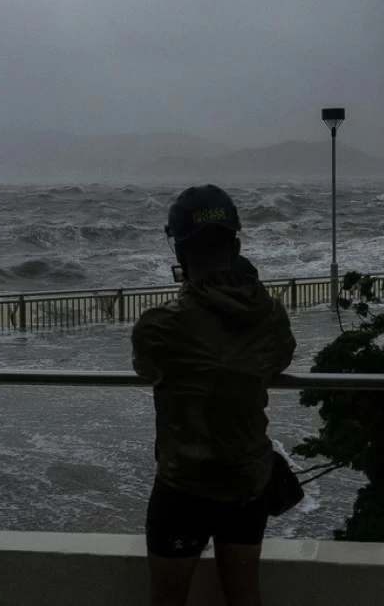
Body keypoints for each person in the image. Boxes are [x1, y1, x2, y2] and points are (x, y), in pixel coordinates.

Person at [132, 184, 296, 606]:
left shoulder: (159, 326)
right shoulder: (272, 316)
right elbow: (277, 362)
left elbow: (147, 368)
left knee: (167, 600)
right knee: (245, 597)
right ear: (236, 244)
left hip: (183, 485)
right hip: (248, 480)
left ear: (179, 253)